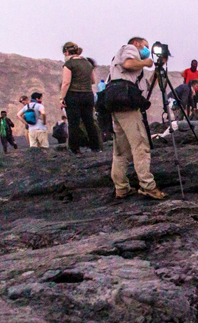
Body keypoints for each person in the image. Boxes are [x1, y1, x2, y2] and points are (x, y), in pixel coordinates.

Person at [109, 36, 166, 200]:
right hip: (127, 106)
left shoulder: (126, 71)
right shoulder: (129, 48)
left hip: (117, 106)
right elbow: (128, 63)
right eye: (145, 46)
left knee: (121, 150)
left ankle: (121, 187)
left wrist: (156, 71)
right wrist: (146, 63)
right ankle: (147, 185)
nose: (147, 50)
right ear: (136, 44)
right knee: (140, 146)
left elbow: (144, 88)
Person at [60, 42, 101, 154]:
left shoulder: (69, 64)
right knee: (89, 121)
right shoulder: (87, 63)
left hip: (73, 95)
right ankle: (95, 146)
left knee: (74, 123)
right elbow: (93, 81)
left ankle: (74, 148)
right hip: (88, 94)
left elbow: (66, 82)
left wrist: (62, 98)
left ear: (67, 52)